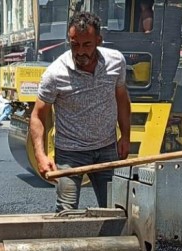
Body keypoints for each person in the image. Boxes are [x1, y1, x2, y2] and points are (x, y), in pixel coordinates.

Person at [30, 11, 131, 212]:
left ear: (99, 41)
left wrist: (126, 136)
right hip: (70, 153)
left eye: (87, 45)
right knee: (67, 212)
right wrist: (40, 156)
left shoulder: (116, 62)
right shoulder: (55, 73)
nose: (80, 51)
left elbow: (122, 99)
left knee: (114, 209)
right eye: (75, 44)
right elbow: (38, 116)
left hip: (106, 148)